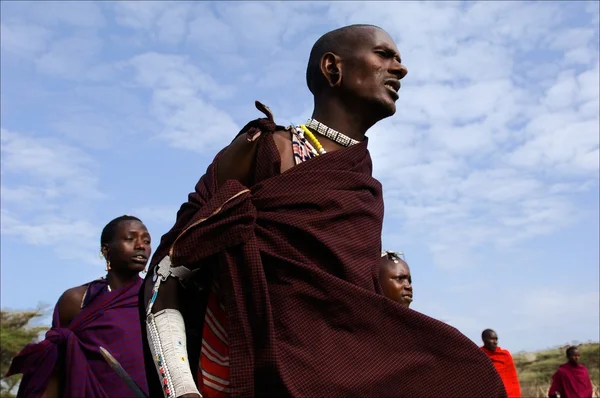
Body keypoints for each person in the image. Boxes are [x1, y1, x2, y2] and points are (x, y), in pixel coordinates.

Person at [140, 24, 506, 398]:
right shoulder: (266, 150)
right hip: (249, 374)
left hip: (340, 371)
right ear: (333, 69)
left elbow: (352, 307)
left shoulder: (363, 186)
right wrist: (181, 390)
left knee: (469, 373)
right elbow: (169, 272)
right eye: (385, 55)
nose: (401, 69)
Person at [6, 215, 151, 397]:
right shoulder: (77, 300)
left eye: (146, 241)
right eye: (130, 239)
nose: (141, 246)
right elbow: (55, 365)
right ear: (106, 250)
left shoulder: (155, 297)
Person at [481, 328, 522, 398]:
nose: (495, 342)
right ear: (484, 340)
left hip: (508, 393)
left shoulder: (505, 355)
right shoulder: (479, 355)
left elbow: (512, 378)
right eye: (492, 339)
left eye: (496, 339)